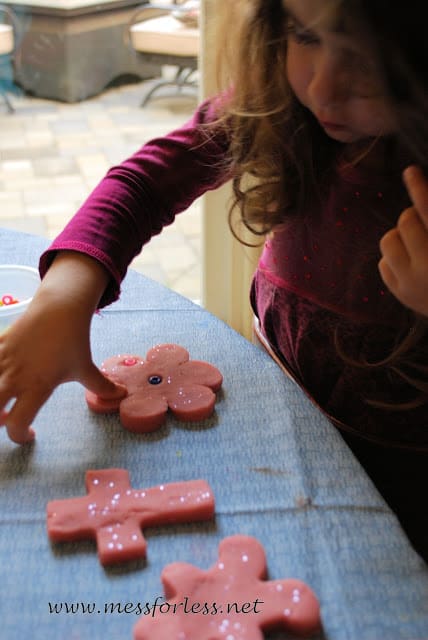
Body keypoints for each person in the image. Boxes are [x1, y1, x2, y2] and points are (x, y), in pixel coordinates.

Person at [0, 0, 427, 560]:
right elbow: (145, 184)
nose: (323, 89)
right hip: (280, 391)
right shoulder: (277, 106)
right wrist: (64, 294)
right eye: (303, 34)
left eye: (372, 60)